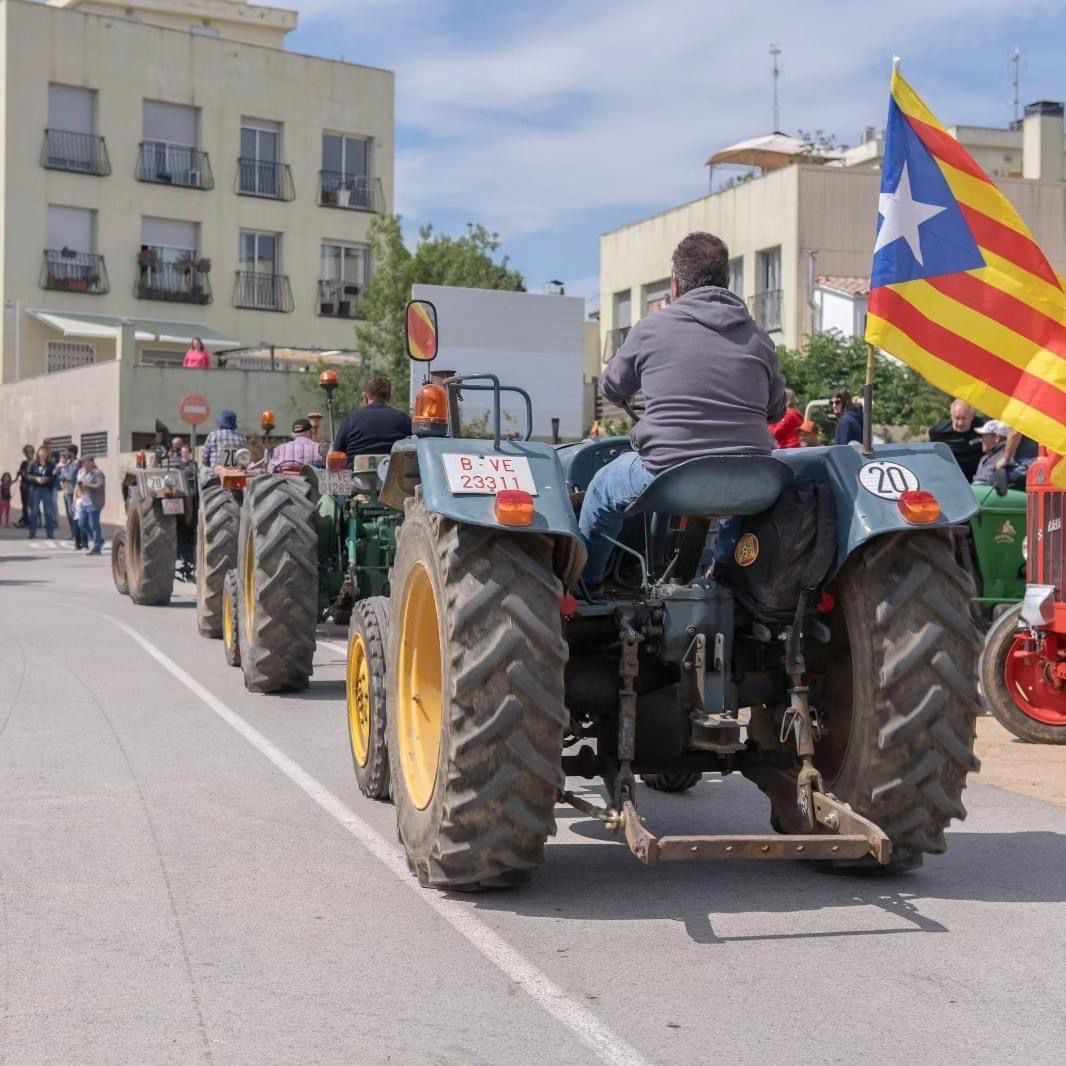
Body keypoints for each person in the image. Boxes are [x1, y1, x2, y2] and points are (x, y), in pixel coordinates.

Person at [579, 231, 786, 592]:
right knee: (739, 510)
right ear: (727, 281)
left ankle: (588, 586)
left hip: (669, 471)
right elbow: (776, 409)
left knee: (600, 490)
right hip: (753, 474)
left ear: (675, 284)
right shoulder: (759, 337)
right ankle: (723, 580)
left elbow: (611, 387)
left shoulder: (652, 328)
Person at [332, 377, 412, 461]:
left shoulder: (351, 419)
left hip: (356, 472)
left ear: (365, 397)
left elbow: (337, 453)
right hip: (394, 472)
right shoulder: (403, 419)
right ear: (389, 397)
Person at [928, 399, 985, 482]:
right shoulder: (939, 431)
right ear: (951, 417)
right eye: (957, 418)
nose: (960, 423)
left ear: (972, 417)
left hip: (976, 475)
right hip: (950, 473)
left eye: (964, 418)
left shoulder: (982, 429)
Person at [199, 410, 247, 485]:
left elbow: (205, 458)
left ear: (220, 424)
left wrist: (208, 463)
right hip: (236, 473)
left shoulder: (213, 435)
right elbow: (244, 457)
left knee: (202, 470)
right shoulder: (242, 437)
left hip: (216, 474)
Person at [57, 444, 86, 549]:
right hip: (66, 491)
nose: (65, 454)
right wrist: (62, 469)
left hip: (73, 492)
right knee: (70, 515)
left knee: (74, 515)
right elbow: (58, 476)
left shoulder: (76, 463)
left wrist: (63, 470)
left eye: (67, 452)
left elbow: (71, 476)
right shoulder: (68, 463)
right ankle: (74, 535)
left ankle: (81, 538)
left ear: (72, 452)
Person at [76, 455, 106, 554]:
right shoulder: (81, 472)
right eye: (82, 462)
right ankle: (98, 540)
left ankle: (97, 548)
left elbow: (100, 486)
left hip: (94, 503)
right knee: (82, 524)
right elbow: (79, 484)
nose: (83, 464)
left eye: (85, 462)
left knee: (94, 525)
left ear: (92, 462)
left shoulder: (98, 473)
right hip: (84, 502)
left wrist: (88, 485)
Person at [26, 446, 58, 539]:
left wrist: (47, 479)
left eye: (45, 452)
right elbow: (27, 475)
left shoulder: (51, 464)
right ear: (38, 452)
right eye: (42, 451)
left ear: (48, 453)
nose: (43, 453)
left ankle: (50, 534)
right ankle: (32, 533)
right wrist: (36, 478)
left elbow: (54, 476)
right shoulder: (33, 463)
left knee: (48, 512)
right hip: (35, 489)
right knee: (34, 511)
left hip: (46, 489)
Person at [972, 421, 1009, 485]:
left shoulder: (1004, 457)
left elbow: (983, 483)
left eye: (983, 435)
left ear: (996, 438)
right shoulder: (985, 458)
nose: (981, 440)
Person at [13, 444, 34, 527]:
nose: (28, 453)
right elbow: (20, 473)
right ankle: (25, 520)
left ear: (32, 451)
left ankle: (30, 521)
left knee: (31, 504)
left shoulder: (35, 462)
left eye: (29, 451)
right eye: (26, 451)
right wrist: (19, 473)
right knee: (24, 504)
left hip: (31, 486)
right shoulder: (24, 462)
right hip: (23, 485)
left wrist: (25, 474)